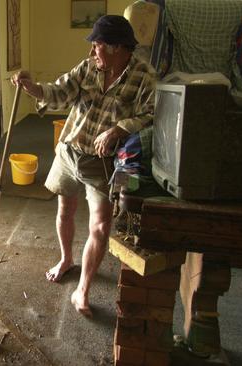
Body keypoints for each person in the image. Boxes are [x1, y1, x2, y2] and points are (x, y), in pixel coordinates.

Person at [11, 15, 156, 316]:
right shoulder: (88, 67)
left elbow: (153, 115)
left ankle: (83, 290)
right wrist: (31, 87)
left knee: (101, 226)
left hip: (102, 162)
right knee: (65, 210)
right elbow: (58, 92)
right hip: (70, 150)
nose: (92, 52)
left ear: (117, 47)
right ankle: (66, 259)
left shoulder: (144, 76)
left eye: (97, 45)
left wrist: (120, 128)